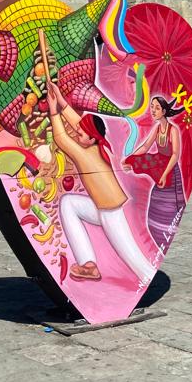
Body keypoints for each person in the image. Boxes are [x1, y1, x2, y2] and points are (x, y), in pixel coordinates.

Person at [46, 80, 156, 285]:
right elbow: (80, 125)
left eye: (80, 134)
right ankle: (88, 264)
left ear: (92, 138)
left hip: (111, 212)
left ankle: (148, 276)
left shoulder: (85, 154)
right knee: (68, 203)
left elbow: (61, 139)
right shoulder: (95, 145)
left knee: (134, 259)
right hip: (101, 208)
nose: (76, 134)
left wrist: (54, 111)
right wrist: (61, 101)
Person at [124, 96, 186, 251]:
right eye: (152, 107)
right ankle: (159, 234)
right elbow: (145, 146)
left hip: (170, 171)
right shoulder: (157, 129)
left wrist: (164, 175)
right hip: (160, 167)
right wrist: (130, 159)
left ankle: (169, 230)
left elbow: (175, 155)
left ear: (164, 111)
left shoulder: (173, 130)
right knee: (156, 203)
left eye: (157, 108)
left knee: (170, 204)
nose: (153, 110)